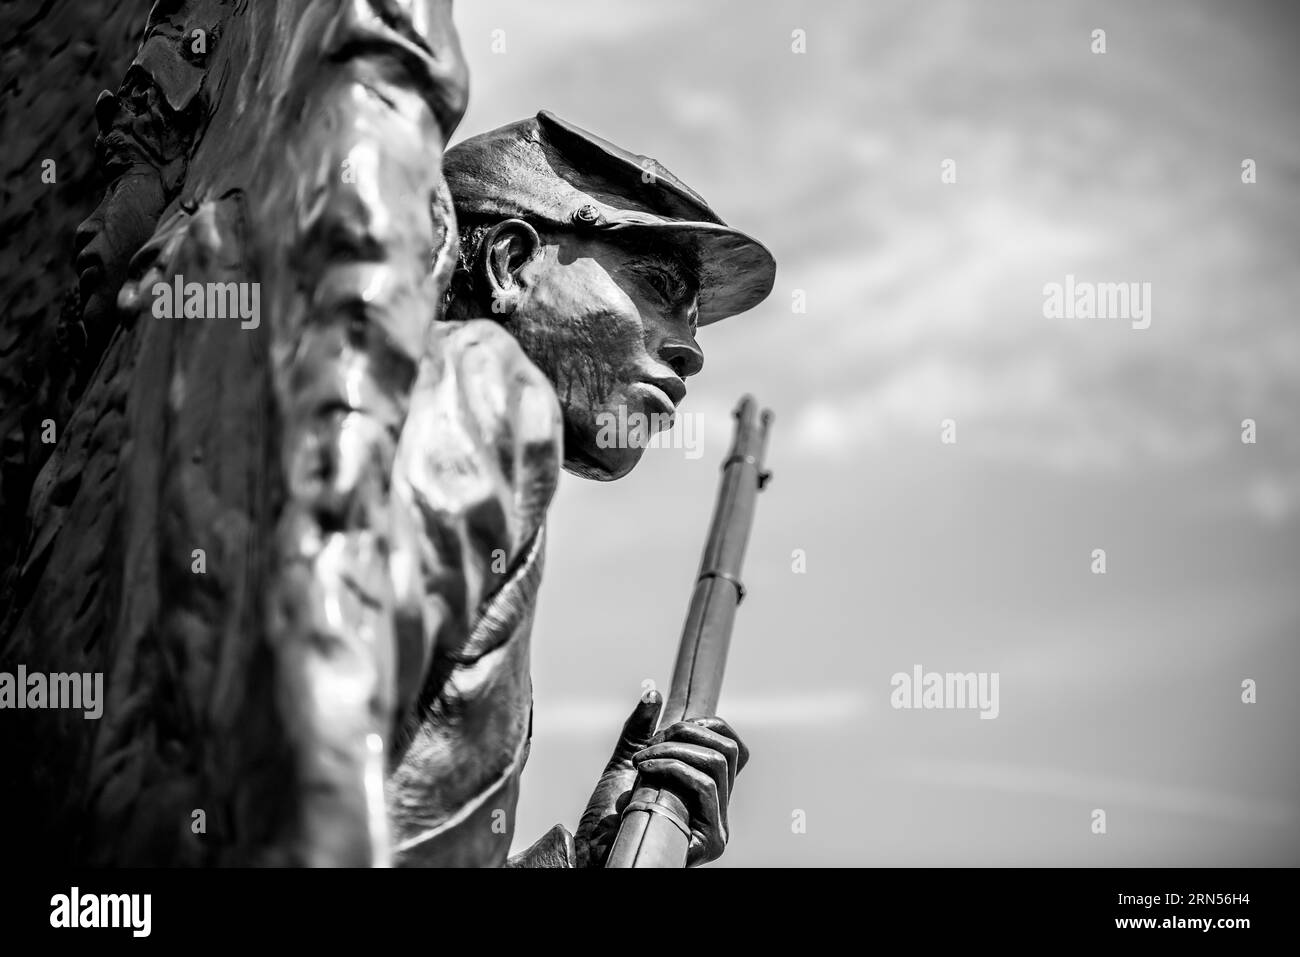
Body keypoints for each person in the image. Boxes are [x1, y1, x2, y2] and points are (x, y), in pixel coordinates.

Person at [386, 111, 777, 867]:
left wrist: (586, 857)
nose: (691, 352)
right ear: (510, 262)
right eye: (657, 284)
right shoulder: (464, 398)